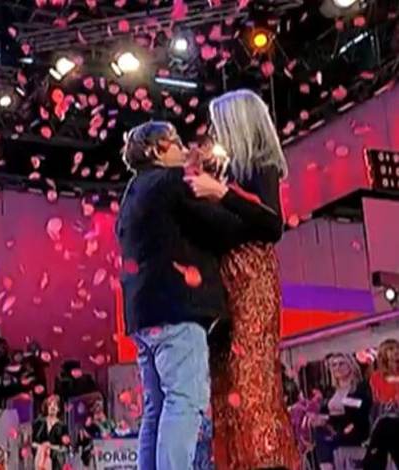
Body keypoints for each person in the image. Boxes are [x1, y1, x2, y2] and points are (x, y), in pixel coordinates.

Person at [115, 120, 252, 469]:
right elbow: (224, 228)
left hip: (142, 316)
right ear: (157, 149)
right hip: (178, 309)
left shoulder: (132, 195)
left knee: (157, 408)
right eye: (176, 142)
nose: (183, 148)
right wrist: (222, 195)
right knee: (185, 401)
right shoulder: (172, 182)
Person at [184, 88, 300, 470]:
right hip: (224, 288)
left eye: (219, 124)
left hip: (252, 280)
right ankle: (234, 461)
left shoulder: (261, 167)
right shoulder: (226, 173)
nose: (214, 132)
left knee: (250, 376)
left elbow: (271, 224)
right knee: (224, 382)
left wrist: (221, 194)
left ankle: (266, 461)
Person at [310, 353, 372, 470]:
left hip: (353, 427)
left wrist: (329, 419)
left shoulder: (360, 388)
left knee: (327, 438)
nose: (337, 367)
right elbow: (324, 411)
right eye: (334, 365)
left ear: (351, 366)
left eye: (341, 364)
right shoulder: (330, 391)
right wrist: (317, 418)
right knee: (318, 432)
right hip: (332, 428)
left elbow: (360, 412)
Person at [364, 339, 399, 469]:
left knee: (385, 426)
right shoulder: (376, 377)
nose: (395, 352)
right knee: (386, 425)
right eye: (390, 349)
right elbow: (380, 399)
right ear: (383, 354)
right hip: (387, 417)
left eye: (397, 348)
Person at [32, 395, 71, 470]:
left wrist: (50, 446)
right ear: (46, 407)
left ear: (58, 409)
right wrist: (42, 447)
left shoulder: (63, 426)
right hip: (40, 461)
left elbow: (65, 448)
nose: (52, 407)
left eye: (55, 405)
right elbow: (33, 443)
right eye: (50, 404)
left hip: (57, 463)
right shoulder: (39, 423)